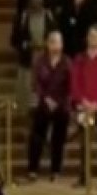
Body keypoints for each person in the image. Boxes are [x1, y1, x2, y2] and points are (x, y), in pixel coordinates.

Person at [26, 29, 71, 181]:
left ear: (62, 44)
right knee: (36, 137)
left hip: (61, 105)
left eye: (57, 42)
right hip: (43, 104)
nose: (54, 45)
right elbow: (36, 83)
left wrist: (58, 102)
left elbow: (70, 86)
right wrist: (46, 99)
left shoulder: (67, 62)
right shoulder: (40, 61)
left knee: (58, 139)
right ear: (47, 44)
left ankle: (56, 171)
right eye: (52, 41)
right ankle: (32, 169)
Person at [70, 24, 97, 172]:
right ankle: (84, 175)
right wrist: (83, 101)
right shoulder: (80, 58)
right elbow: (74, 81)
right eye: (90, 36)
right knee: (84, 142)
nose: (92, 39)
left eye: (95, 36)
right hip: (84, 106)